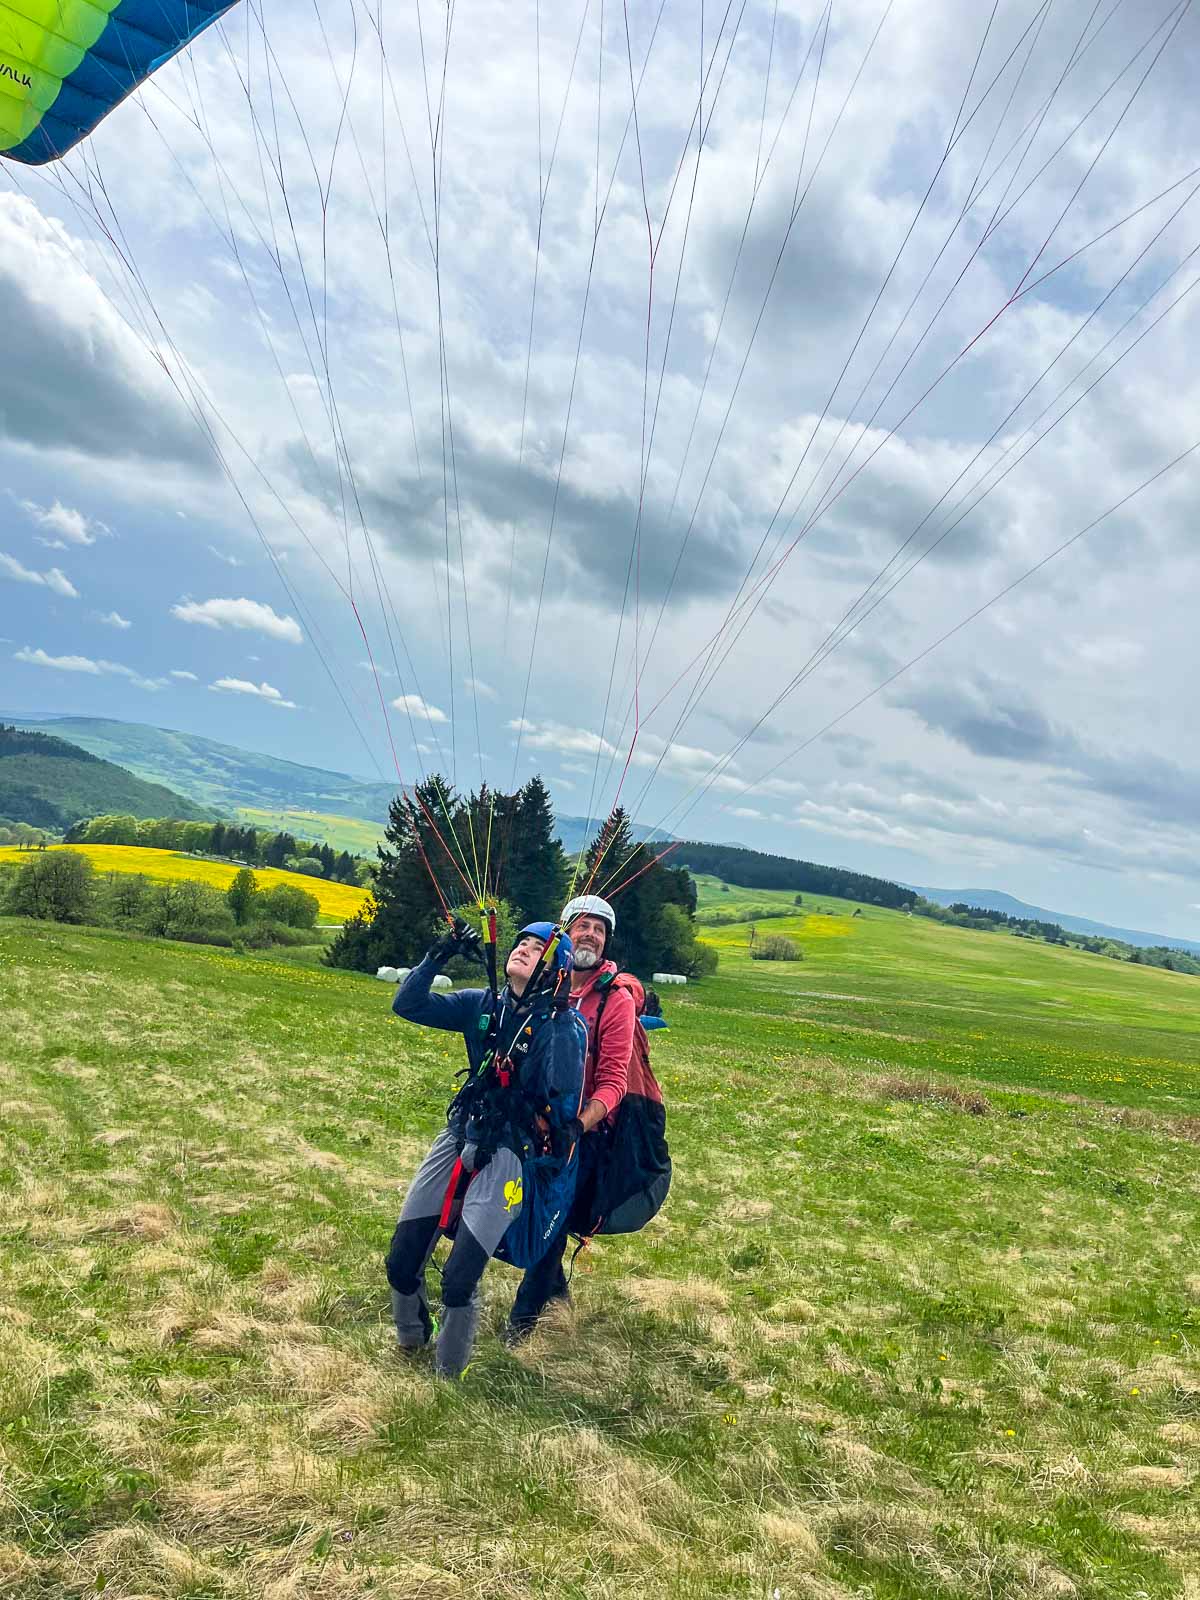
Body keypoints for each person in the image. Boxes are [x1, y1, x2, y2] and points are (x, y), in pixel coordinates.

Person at [386, 917, 587, 1378]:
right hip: (462, 1131)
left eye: (537, 948)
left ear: (555, 971)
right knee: (401, 1260)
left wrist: (555, 1012)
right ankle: (411, 1338)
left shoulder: (565, 1025)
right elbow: (407, 1004)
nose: (523, 948)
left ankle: (447, 1375)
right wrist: (438, 955)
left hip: (510, 1153)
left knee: (459, 1280)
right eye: (521, 942)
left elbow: (561, 1087)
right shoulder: (482, 1004)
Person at [506, 893, 635, 1342]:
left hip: (579, 1133)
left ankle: (522, 1326)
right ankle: (557, 1296)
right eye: (583, 926)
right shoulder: (545, 982)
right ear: (564, 934)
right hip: (528, 1122)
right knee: (526, 1211)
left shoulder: (614, 999)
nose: (591, 936)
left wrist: (577, 1126)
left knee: (551, 1219)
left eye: (599, 930)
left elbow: (614, 1080)